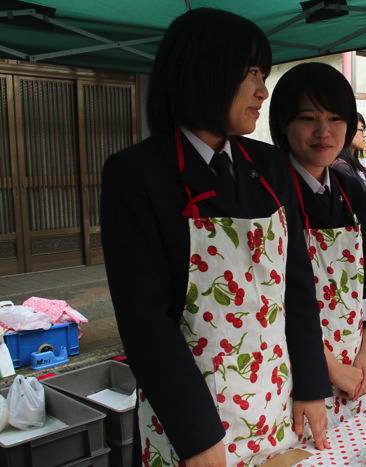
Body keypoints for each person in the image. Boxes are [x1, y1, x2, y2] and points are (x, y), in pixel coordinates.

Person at [100, 9, 331, 466]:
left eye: (263, 75)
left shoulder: (269, 167)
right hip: (193, 421)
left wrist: (311, 387)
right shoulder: (138, 174)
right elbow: (146, 321)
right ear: (203, 70)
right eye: (251, 74)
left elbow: (298, 288)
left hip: (277, 402)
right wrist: (198, 438)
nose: (263, 90)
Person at [269, 62, 366, 427]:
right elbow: (275, 295)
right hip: (297, 373)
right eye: (308, 118)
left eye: (336, 119)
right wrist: (329, 368)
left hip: (356, 369)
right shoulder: (268, 190)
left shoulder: (350, 187)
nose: (324, 132)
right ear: (284, 124)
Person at [333, 112, 366, 188]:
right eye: (361, 129)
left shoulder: (356, 165)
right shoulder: (341, 166)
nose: (364, 135)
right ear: (348, 131)